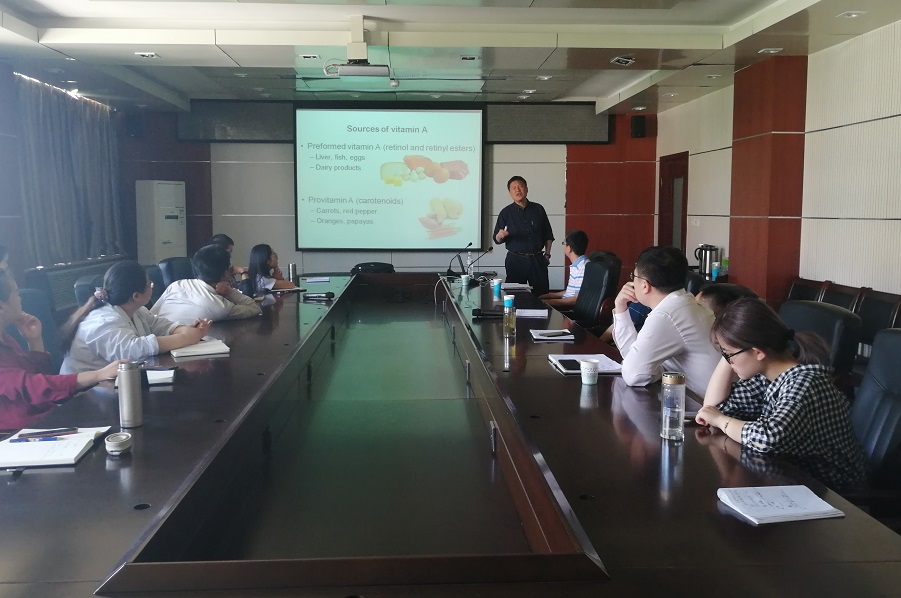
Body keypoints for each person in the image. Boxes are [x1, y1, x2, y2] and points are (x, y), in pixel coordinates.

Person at [696, 297, 867, 490]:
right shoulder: (767, 377)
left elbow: (768, 437)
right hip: (794, 481)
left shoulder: (804, 383)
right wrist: (731, 351)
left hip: (835, 494)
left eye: (728, 355)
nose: (728, 361)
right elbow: (714, 408)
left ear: (758, 352)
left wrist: (720, 420)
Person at [0, 271, 124, 428]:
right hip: (17, 432)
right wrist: (98, 374)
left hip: (44, 418)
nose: (20, 298)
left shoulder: (6, 340)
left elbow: (37, 379)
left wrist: (34, 340)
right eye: (16, 293)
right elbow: (33, 387)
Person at [60, 261, 211, 374]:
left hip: (113, 383)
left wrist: (187, 331)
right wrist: (187, 337)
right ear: (136, 296)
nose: (152, 287)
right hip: (84, 395)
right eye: (150, 284)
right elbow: (134, 350)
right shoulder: (104, 321)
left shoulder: (136, 310)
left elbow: (159, 325)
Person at [612, 246, 720, 395]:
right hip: (697, 398)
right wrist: (620, 306)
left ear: (645, 285)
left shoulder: (667, 315)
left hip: (697, 403)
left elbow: (634, 375)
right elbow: (633, 357)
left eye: (634, 276)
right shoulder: (683, 302)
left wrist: (658, 371)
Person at [151, 244, 262, 325]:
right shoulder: (219, 306)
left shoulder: (177, 284)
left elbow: (152, 315)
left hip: (153, 340)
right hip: (179, 346)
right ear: (225, 272)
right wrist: (230, 292)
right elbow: (254, 308)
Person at [493, 176, 554, 296]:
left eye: (520, 186)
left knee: (542, 296)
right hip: (516, 260)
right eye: (514, 188)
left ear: (526, 189)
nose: (517, 190)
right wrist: (500, 235)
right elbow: (496, 239)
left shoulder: (538, 209)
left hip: (538, 259)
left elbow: (548, 234)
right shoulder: (506, 213)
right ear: (510, 192)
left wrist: (547, 255)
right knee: (515, 296)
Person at [539, 230, 588, 308]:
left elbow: (576, 299)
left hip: (569, 309)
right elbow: (570, 292)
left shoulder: (582, 268)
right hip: (566, 303)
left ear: (569, 248)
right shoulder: (578, 264)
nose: (563, 246)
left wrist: (547, 302)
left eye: (564, 243)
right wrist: (548, 295)